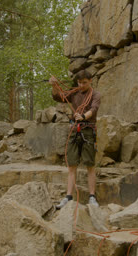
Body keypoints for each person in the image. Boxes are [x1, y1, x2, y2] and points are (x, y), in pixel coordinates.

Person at [49, 70, 101, 209]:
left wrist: (84, 116)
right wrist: (54, 85)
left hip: (88, 130)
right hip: (74, 130)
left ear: (90, 81)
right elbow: (59, 97)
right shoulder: (75, 92)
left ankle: (92, 197)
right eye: (79, 82)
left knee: (90, 164)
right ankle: (68, 197)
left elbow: (94, 109)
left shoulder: (95, 94)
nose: (82, 85)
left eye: (84, 82)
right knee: (72, 165)